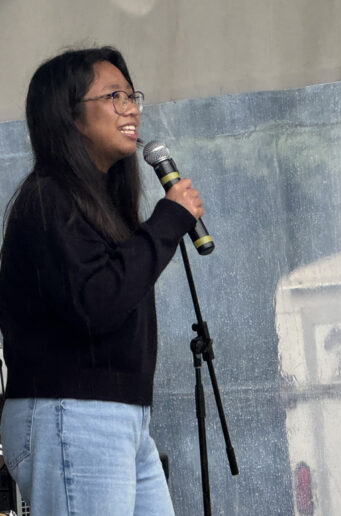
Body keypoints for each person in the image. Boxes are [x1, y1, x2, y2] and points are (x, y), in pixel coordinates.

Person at [0, 46, 203, 515]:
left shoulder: (101, 204)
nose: (131, 108)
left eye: (132, 95)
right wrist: (167, 221)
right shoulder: (49, 199)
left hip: (121, 418)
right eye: (114, 96)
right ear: (69, 116)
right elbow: (97, 302)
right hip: (71, 413)